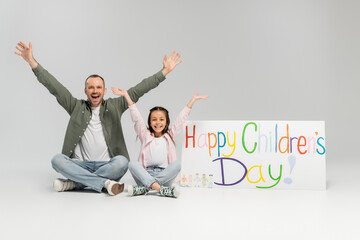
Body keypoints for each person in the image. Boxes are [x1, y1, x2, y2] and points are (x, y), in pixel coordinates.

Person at [14, 41, 182, 196]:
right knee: (56, 160)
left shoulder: (116, 105)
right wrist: (32, 62)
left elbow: (140, 89)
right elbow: (54, 87)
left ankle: (75, 183)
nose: (95, 90)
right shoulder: (75, 106)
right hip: (79, 164)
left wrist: (164, 72)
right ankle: (104, 184)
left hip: (108, 165)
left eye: (98, 87)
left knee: (123, 162)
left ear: (104, 90)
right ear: (86, 91)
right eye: (91, 87)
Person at [112, 87, 209, 198]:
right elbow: (137, 117)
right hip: (145, 174)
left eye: (161, 119)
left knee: (177, 164)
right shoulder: (145, 134)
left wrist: (193, 100)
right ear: (149, 121)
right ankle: (160, 189)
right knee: (132, 164)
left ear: (167, 121)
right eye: (154, 119)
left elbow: (181, 119)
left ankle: (145, 188)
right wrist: (126, 96)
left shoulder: (170, 134)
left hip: (164, 176)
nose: (158, 122)